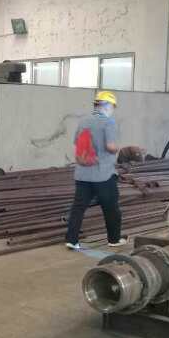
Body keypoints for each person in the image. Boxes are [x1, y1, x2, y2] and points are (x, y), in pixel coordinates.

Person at [65, 91, 127, 251]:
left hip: (82, 174)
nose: (112, 110)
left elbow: (77, 144)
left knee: (78, 208)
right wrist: (117, 149)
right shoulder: (108, 122)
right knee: (111, 208)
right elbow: (110, 146)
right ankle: (114, 239)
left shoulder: (83, 121)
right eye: (112, 106)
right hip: (103, 175)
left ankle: (71, 240)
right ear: (107, 106)